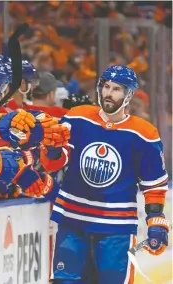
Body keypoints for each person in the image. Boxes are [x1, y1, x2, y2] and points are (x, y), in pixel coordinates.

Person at [50, 65, 170, 283]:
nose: (108, 93)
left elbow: (153, 184)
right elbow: (55, 162)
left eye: (116, 88)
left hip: (116, 229)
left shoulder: (144, 134)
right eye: (105, 86)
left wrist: (155, 218)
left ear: (128, 95)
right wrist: (51, 150)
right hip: (73, 220)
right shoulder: (77, 118)